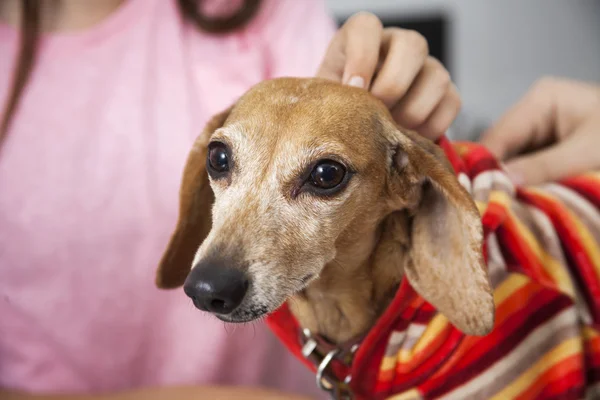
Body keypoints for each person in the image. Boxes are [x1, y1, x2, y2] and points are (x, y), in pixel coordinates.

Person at [0, 1, 459, 399]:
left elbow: (404, 181)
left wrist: (406, 95)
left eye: (323, 175)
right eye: (222, 162)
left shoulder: (262, 9)